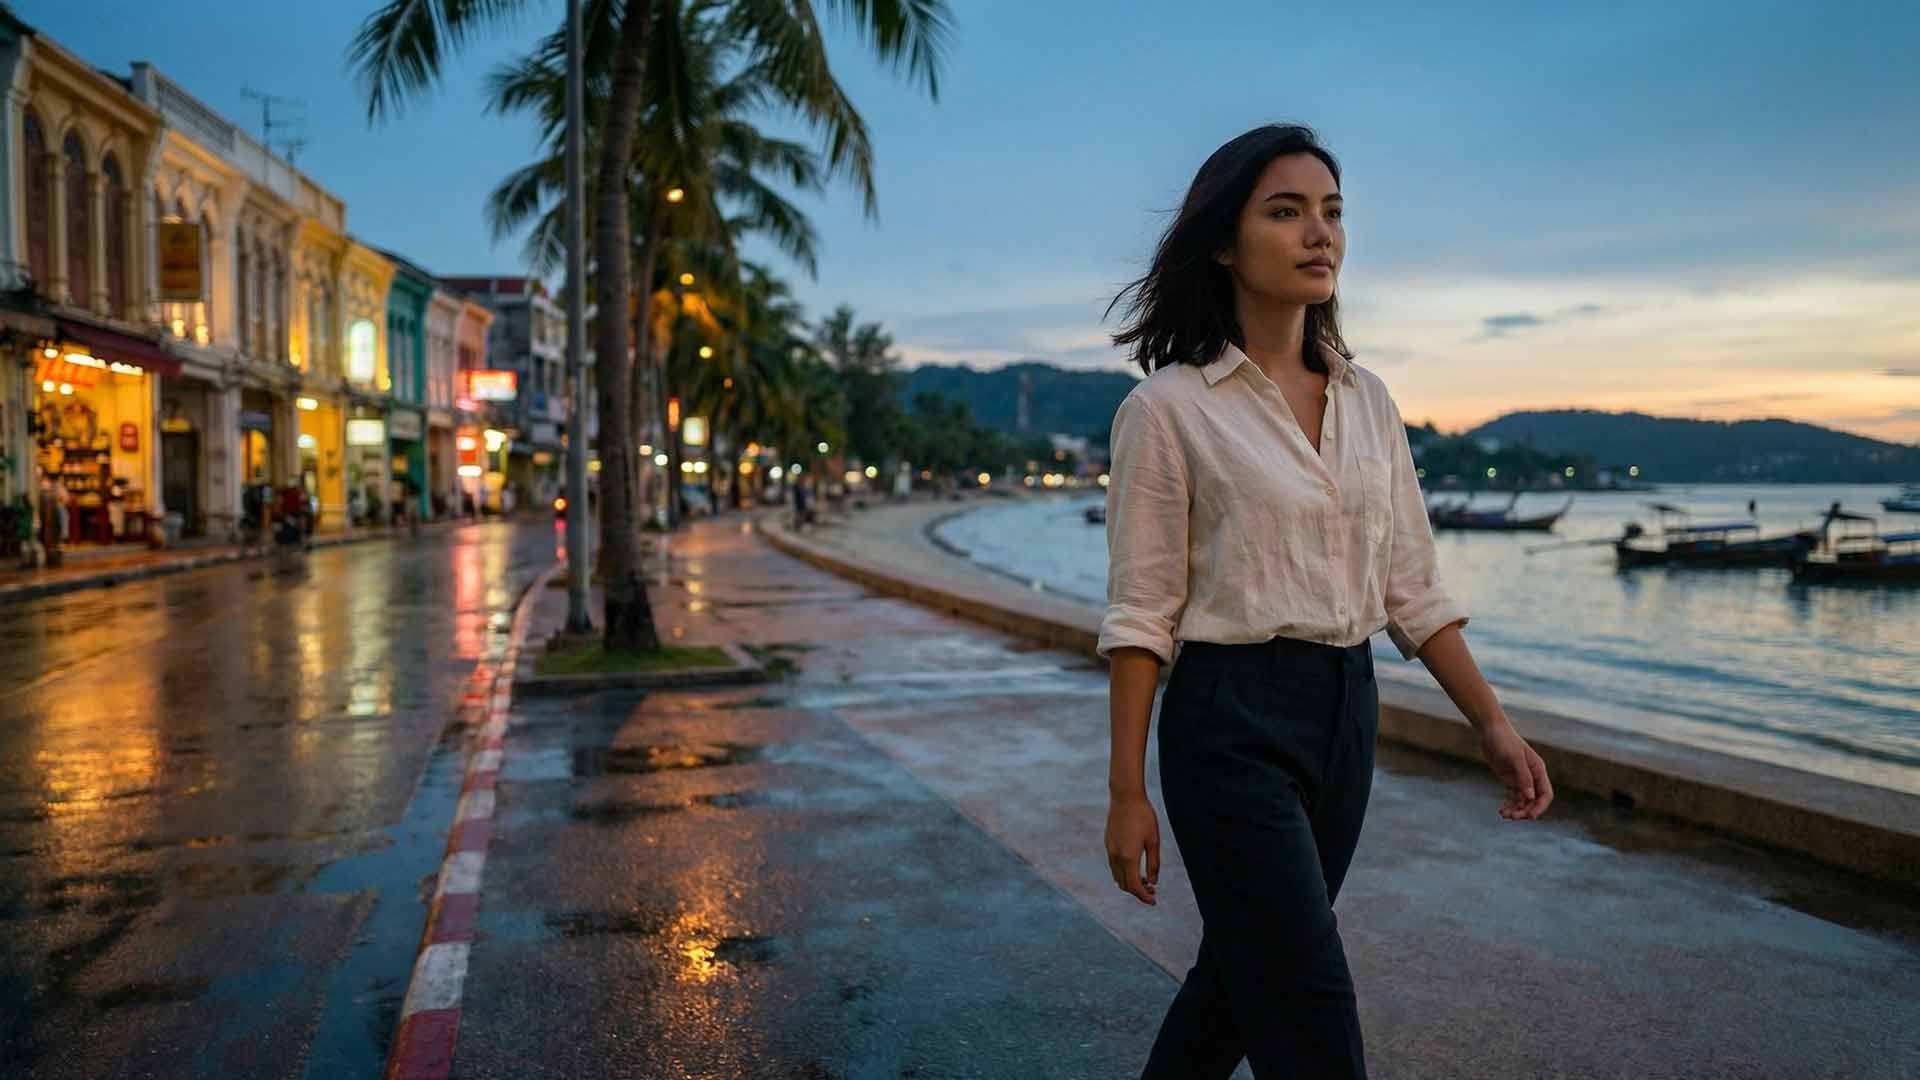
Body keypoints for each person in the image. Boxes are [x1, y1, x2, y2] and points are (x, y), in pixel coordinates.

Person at [1098, 124, 1553, 1079]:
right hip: (1228, 721)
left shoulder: (1370, 401)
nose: (1321, 235)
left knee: (1238, 983)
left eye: (1333, 213)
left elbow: (1411, 589)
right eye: (1287, 211)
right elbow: (1143, 615)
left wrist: (1495, 726)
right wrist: (1126, 788)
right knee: (1309, 1005)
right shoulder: (1169, 410)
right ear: (1224, 242)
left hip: (1347, 714)